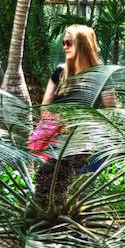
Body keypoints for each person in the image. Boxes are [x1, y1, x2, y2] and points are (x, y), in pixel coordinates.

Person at [33, 25, 115, 206]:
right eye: (64, 42)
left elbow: (111, 111)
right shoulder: (60, 72)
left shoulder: (102, 76)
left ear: (83, 45)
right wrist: (59, 120)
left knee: (82, 191)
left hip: (86, 145)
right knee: (53, 191)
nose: (64, 46)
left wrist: (87, 123)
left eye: (69, 42)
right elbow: (45, 106)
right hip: (58, 144)